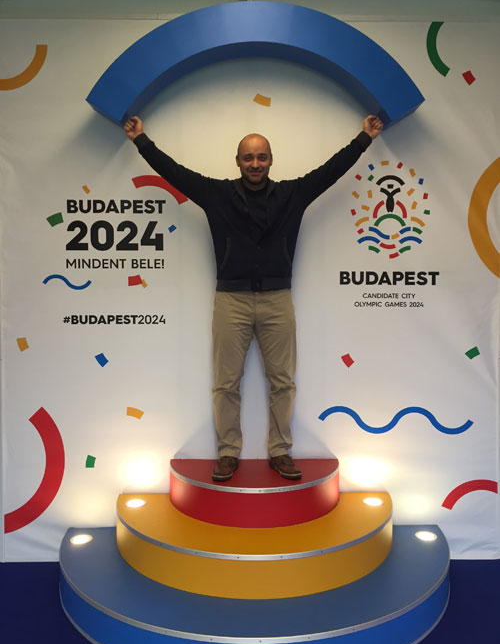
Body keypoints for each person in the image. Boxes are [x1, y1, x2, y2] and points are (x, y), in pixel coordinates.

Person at [124, 113, 383, 482]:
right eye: (248, 157)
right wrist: (141, 141)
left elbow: (330, 172)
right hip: (231, 302)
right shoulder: (216, 195)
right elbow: (174, 173)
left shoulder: (292, 194)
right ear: (238, 161)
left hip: (278, 300)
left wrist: (364, 139)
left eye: (262, 157)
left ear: (271, 160)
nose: (255, 163)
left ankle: (280, 451)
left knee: (283, 382)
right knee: (225, 383)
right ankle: (228, 452)